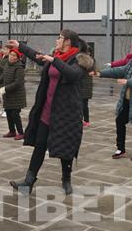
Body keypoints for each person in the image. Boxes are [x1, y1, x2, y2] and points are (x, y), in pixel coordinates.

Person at [8, 30, 94, 196]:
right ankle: (28, 182)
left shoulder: (79, 59)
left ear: (67, 41)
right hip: (47, 110)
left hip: (67, 113)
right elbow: (37, 57)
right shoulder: (56, 55)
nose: (56, 41)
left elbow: (73, 74)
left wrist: (54, 60)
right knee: (40, 145)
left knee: (65, 147)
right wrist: (20, 46)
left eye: (59, 38)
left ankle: (66, 179)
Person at [93, 41, 132, 161]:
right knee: (120, 121)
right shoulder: (131, 64)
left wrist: (128, 81)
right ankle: (120, 149)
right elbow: (118, 71)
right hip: (127, 101)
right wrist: (100, 73)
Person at [0, 47, 26, 140]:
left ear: (17, 58)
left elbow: (18, 82)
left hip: (17, 95)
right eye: (11, 54)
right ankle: (12, 131)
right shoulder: (7, 65)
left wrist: (5, 89)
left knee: (15, 114)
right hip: (8, 94)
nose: (11, 57)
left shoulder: (19, 68)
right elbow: (3, 76)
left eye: (14, 55)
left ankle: (21, 132)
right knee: (8, 112)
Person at [78, 40, 95, 127]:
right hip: (82, 84)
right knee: (81, 104)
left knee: (84, 104)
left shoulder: (89, 61)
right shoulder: (83, 60)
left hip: (86, 85)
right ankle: (82, 120)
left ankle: (86, 120)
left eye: (89, 52)